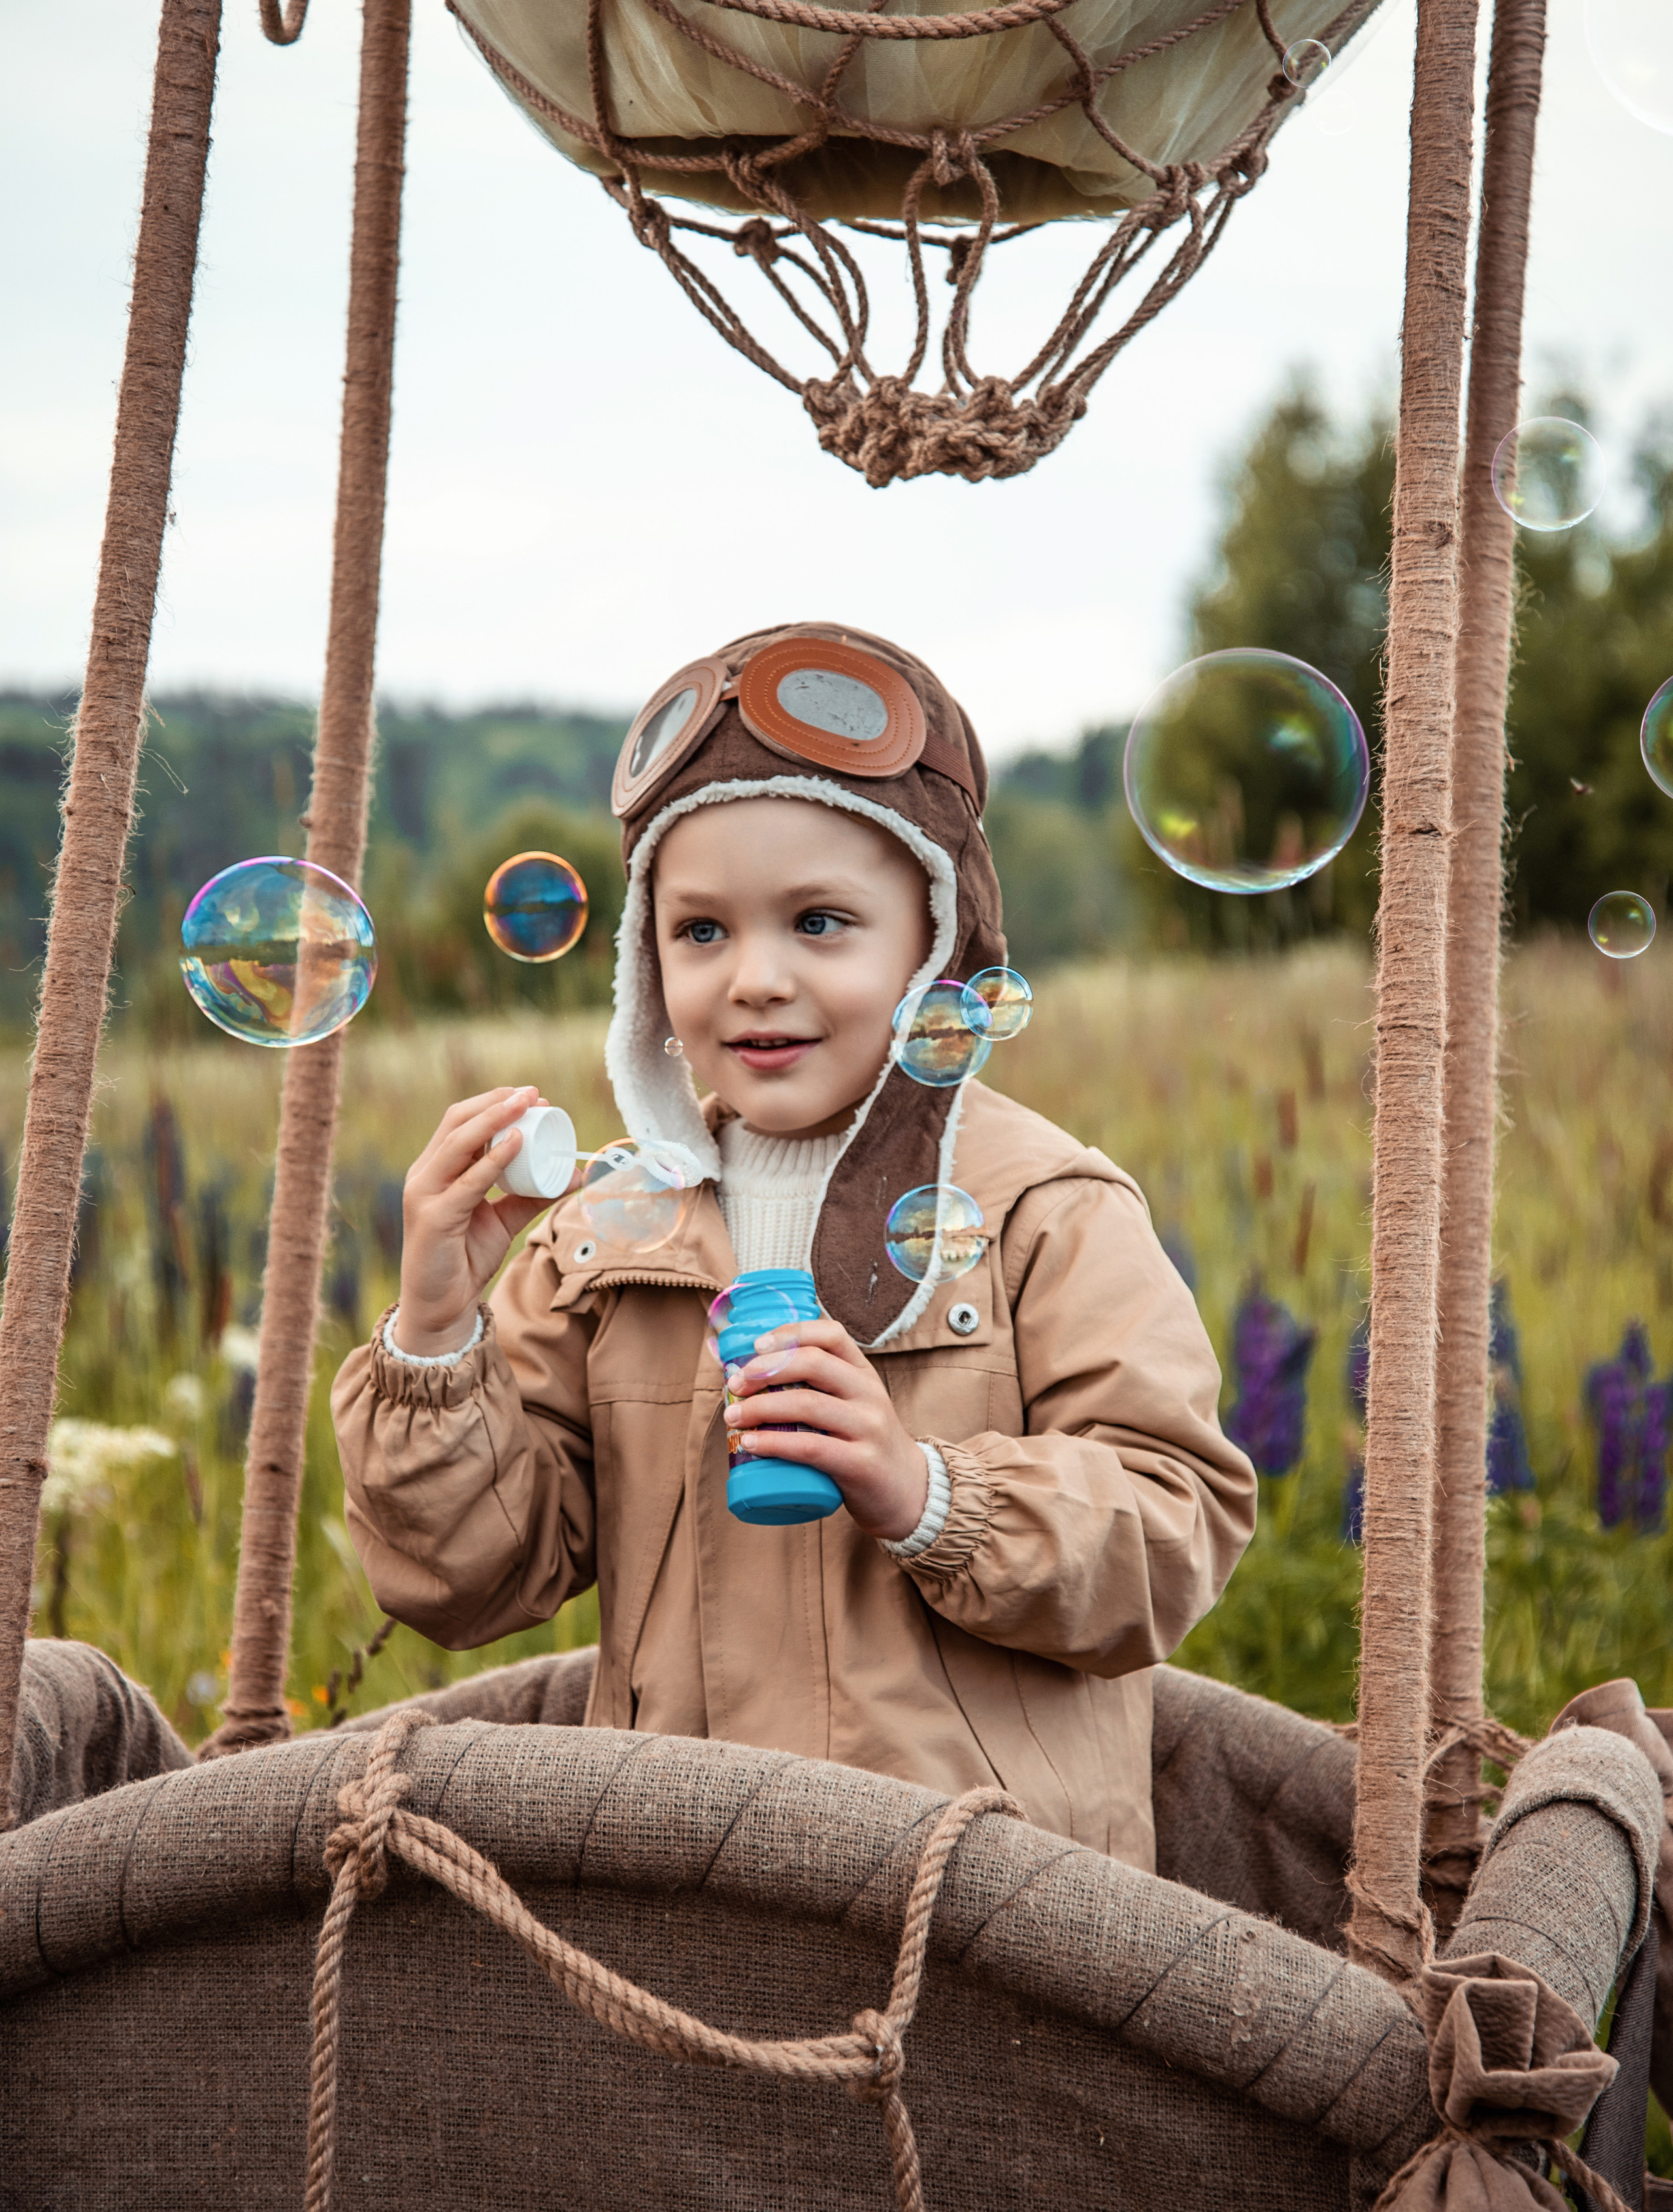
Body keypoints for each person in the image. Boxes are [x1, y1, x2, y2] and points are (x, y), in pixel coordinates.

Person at [331, 623, 1256, 1866]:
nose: (755, 978)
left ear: (932, 945)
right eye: (701, 931)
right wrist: (438, 1330)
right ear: (644, 970)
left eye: (820, 922)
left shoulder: (1044, 1208)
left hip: (982, 1915)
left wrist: (928, 1493)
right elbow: (471, 1579)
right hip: (680, 1891)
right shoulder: (608, 1234)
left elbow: (1172, 1527)